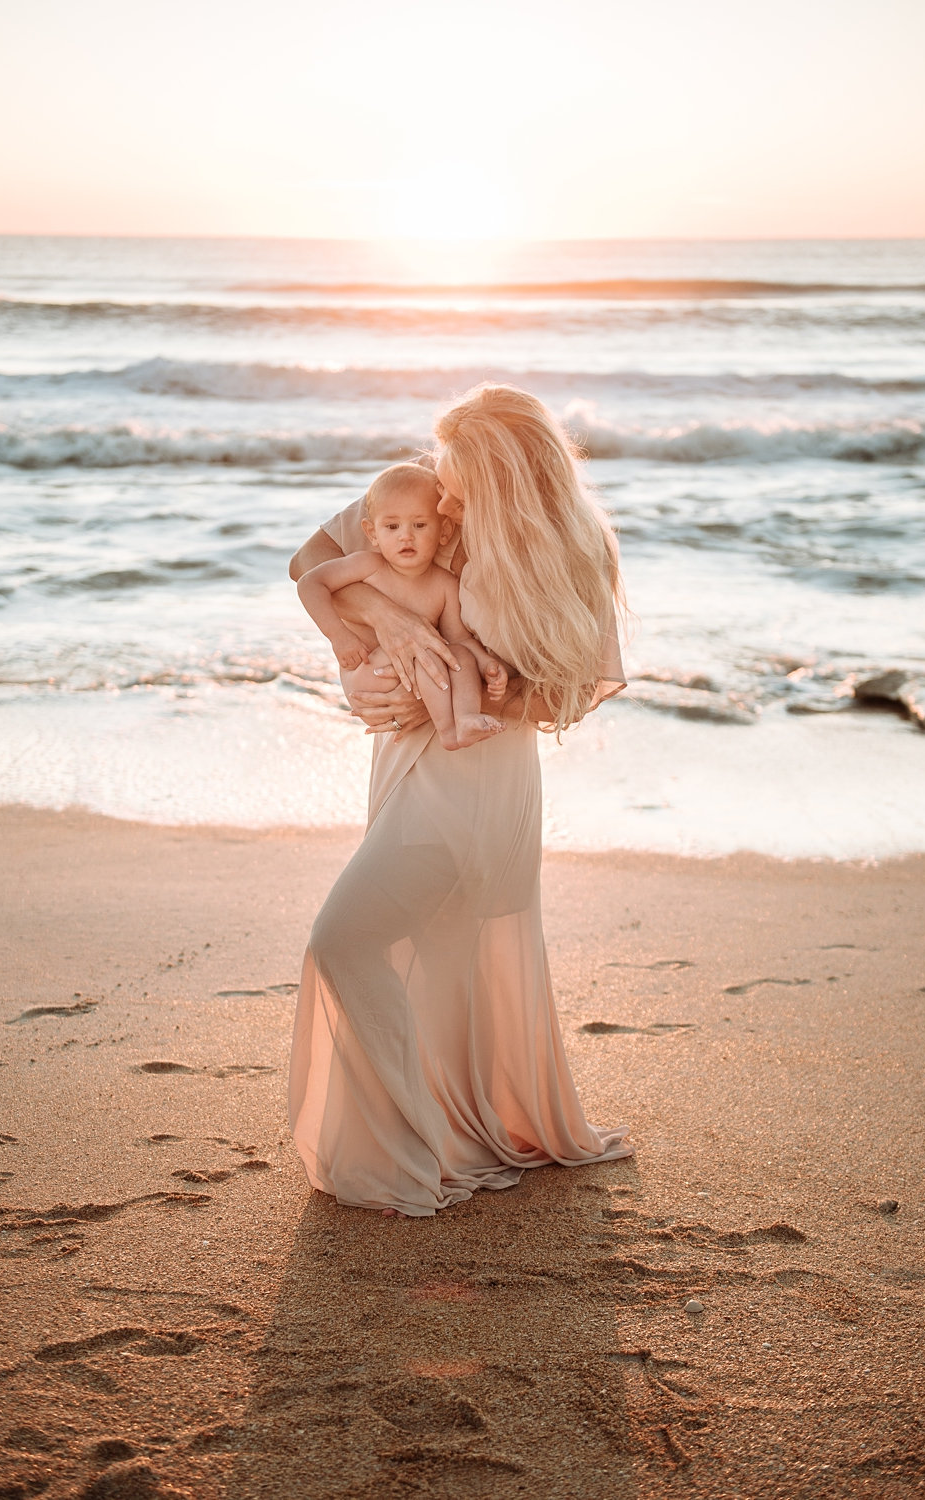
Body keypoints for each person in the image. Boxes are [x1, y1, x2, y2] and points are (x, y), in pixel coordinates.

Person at [288, 384, 633, 1217]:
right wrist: (385, 636)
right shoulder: (414, 506)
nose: (438, 492)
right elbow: (313, 564)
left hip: (476, 785)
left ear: (498, 473)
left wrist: (488, 693)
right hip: (404, 764)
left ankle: (415, 1146)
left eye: (454, 474)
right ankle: (441, 1128)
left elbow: (572, 693)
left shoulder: (568, 553)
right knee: (430, 960)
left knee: (345, 942)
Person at [297, 461, 509, 751]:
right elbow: (309, 583)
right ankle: (449, 733)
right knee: (427, 652)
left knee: (457, 654)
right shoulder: (367, 565)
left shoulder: (444, 585)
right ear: (372, 533)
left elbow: (459, 639)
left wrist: (487, 665)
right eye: (392, 526)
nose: (405, 536)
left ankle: (466, 718)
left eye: (419, 525)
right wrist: (338, 636)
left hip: (412, 671)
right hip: (367, 673)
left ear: (444, 532)